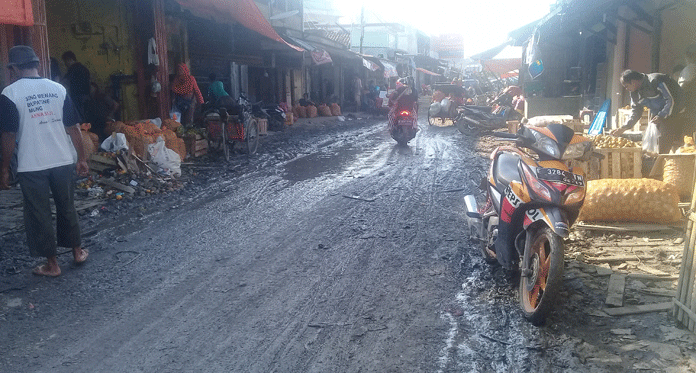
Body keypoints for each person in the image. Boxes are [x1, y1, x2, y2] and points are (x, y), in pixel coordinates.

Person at [0, 45, 89, 277]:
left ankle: (52, 265)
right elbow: (73, 128)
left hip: (31, 164)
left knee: (39, 214)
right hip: (62, 159)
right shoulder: (58, 89)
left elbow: (8, 135)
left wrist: (4, 167)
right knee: (67, 206)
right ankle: (77, 252)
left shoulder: (10, 94)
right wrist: (82, 158)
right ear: (37, 64)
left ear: (14, 68)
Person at [611, 69, 684, 154]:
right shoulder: (634, 93)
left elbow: (671, 100)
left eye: (627, 86)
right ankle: (655, 157)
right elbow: (636, 111)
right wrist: (624, 127)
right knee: (653, 135)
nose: (627, 89)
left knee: (664, 137)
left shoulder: (655, 81)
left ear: (633, 81)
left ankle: (661, 161)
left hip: (674, 110)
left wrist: (661, 116)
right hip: (657, 112)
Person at [61, 51, 90, 119]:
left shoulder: (73, 69)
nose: (65, 64)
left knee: (79, 118)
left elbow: (65, 81)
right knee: (85, 117)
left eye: (65, 62)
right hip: (86, 96)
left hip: (77, 97)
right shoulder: (84, 68)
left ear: (69, 59)